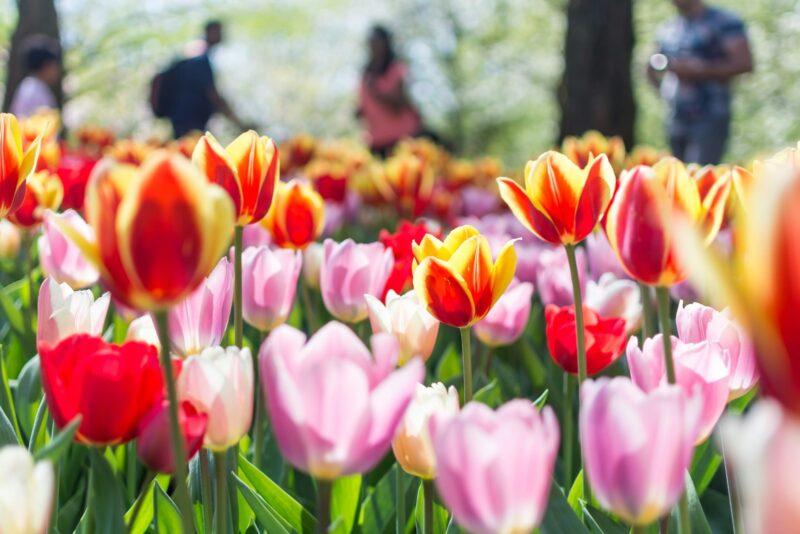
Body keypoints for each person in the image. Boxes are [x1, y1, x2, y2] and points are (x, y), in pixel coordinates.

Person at [648, 0, 753, 165]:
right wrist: (663, 91)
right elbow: (651, 65)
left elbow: (744, 64)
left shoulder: (725, 22)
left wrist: (700, 71)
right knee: (677, 173)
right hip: (676, 116)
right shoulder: (669, 27)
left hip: (710, 114)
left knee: (702, 172)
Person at [166, 20, 249, 138]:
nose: (222, 35)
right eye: (219, 31)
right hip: (191, 119)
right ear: (211, 31)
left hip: (181, 116)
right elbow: (212, 93)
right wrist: (238, 123)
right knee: (191, 150)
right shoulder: (200, 57)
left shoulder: (193, 52)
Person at [358, 25, 422, 157]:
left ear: (386, 42)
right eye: (371, 41)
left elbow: (399, 103)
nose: (374, 45)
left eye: (377, 40)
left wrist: (376, 92)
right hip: (376, 140)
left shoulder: (396, 68)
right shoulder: (366, 74)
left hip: (401, 137)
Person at [9, 36, 61, 118]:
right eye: (54, 65)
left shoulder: (28, 86)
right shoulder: (37, 90)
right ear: (46, 65)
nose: (57, 70)